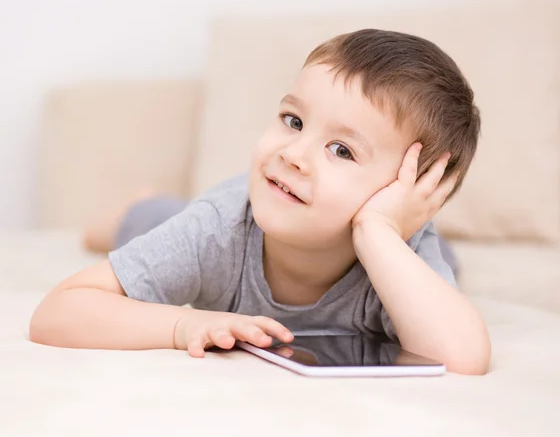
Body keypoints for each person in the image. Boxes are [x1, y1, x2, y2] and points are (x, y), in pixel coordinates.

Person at [29, 29, 491, 375]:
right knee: (148, 221)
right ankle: (141, 203)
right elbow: (58, 312)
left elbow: (463, 357)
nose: (293, 154)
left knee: (442, 268)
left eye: (342, 150)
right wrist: (182, 326)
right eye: (293, 120)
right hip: (204, 215)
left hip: (395, 237)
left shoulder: (401, 244)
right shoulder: (215, 230)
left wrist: (378, 232)